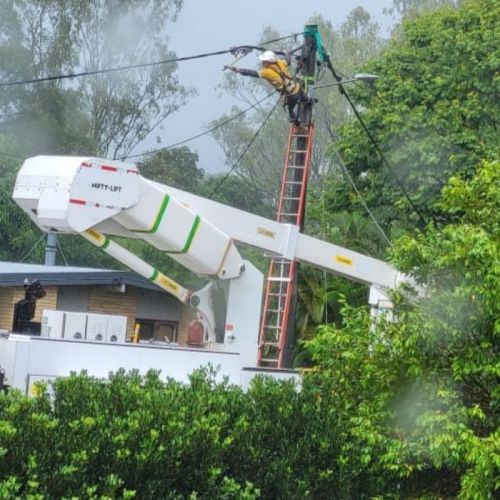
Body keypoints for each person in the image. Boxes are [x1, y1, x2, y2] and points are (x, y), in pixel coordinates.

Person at [225, 50, 303, 124]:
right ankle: (308, 100)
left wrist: (237, 69)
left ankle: (297, 122)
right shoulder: (280, 63)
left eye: (264, 61)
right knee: (304, 97)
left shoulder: (266, 72)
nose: (262, 63)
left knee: (291, 111)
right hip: (297, 88)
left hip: (291, 95)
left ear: (269, 62)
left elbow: (251, 73)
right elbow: (288, 60)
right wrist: (286, 53)